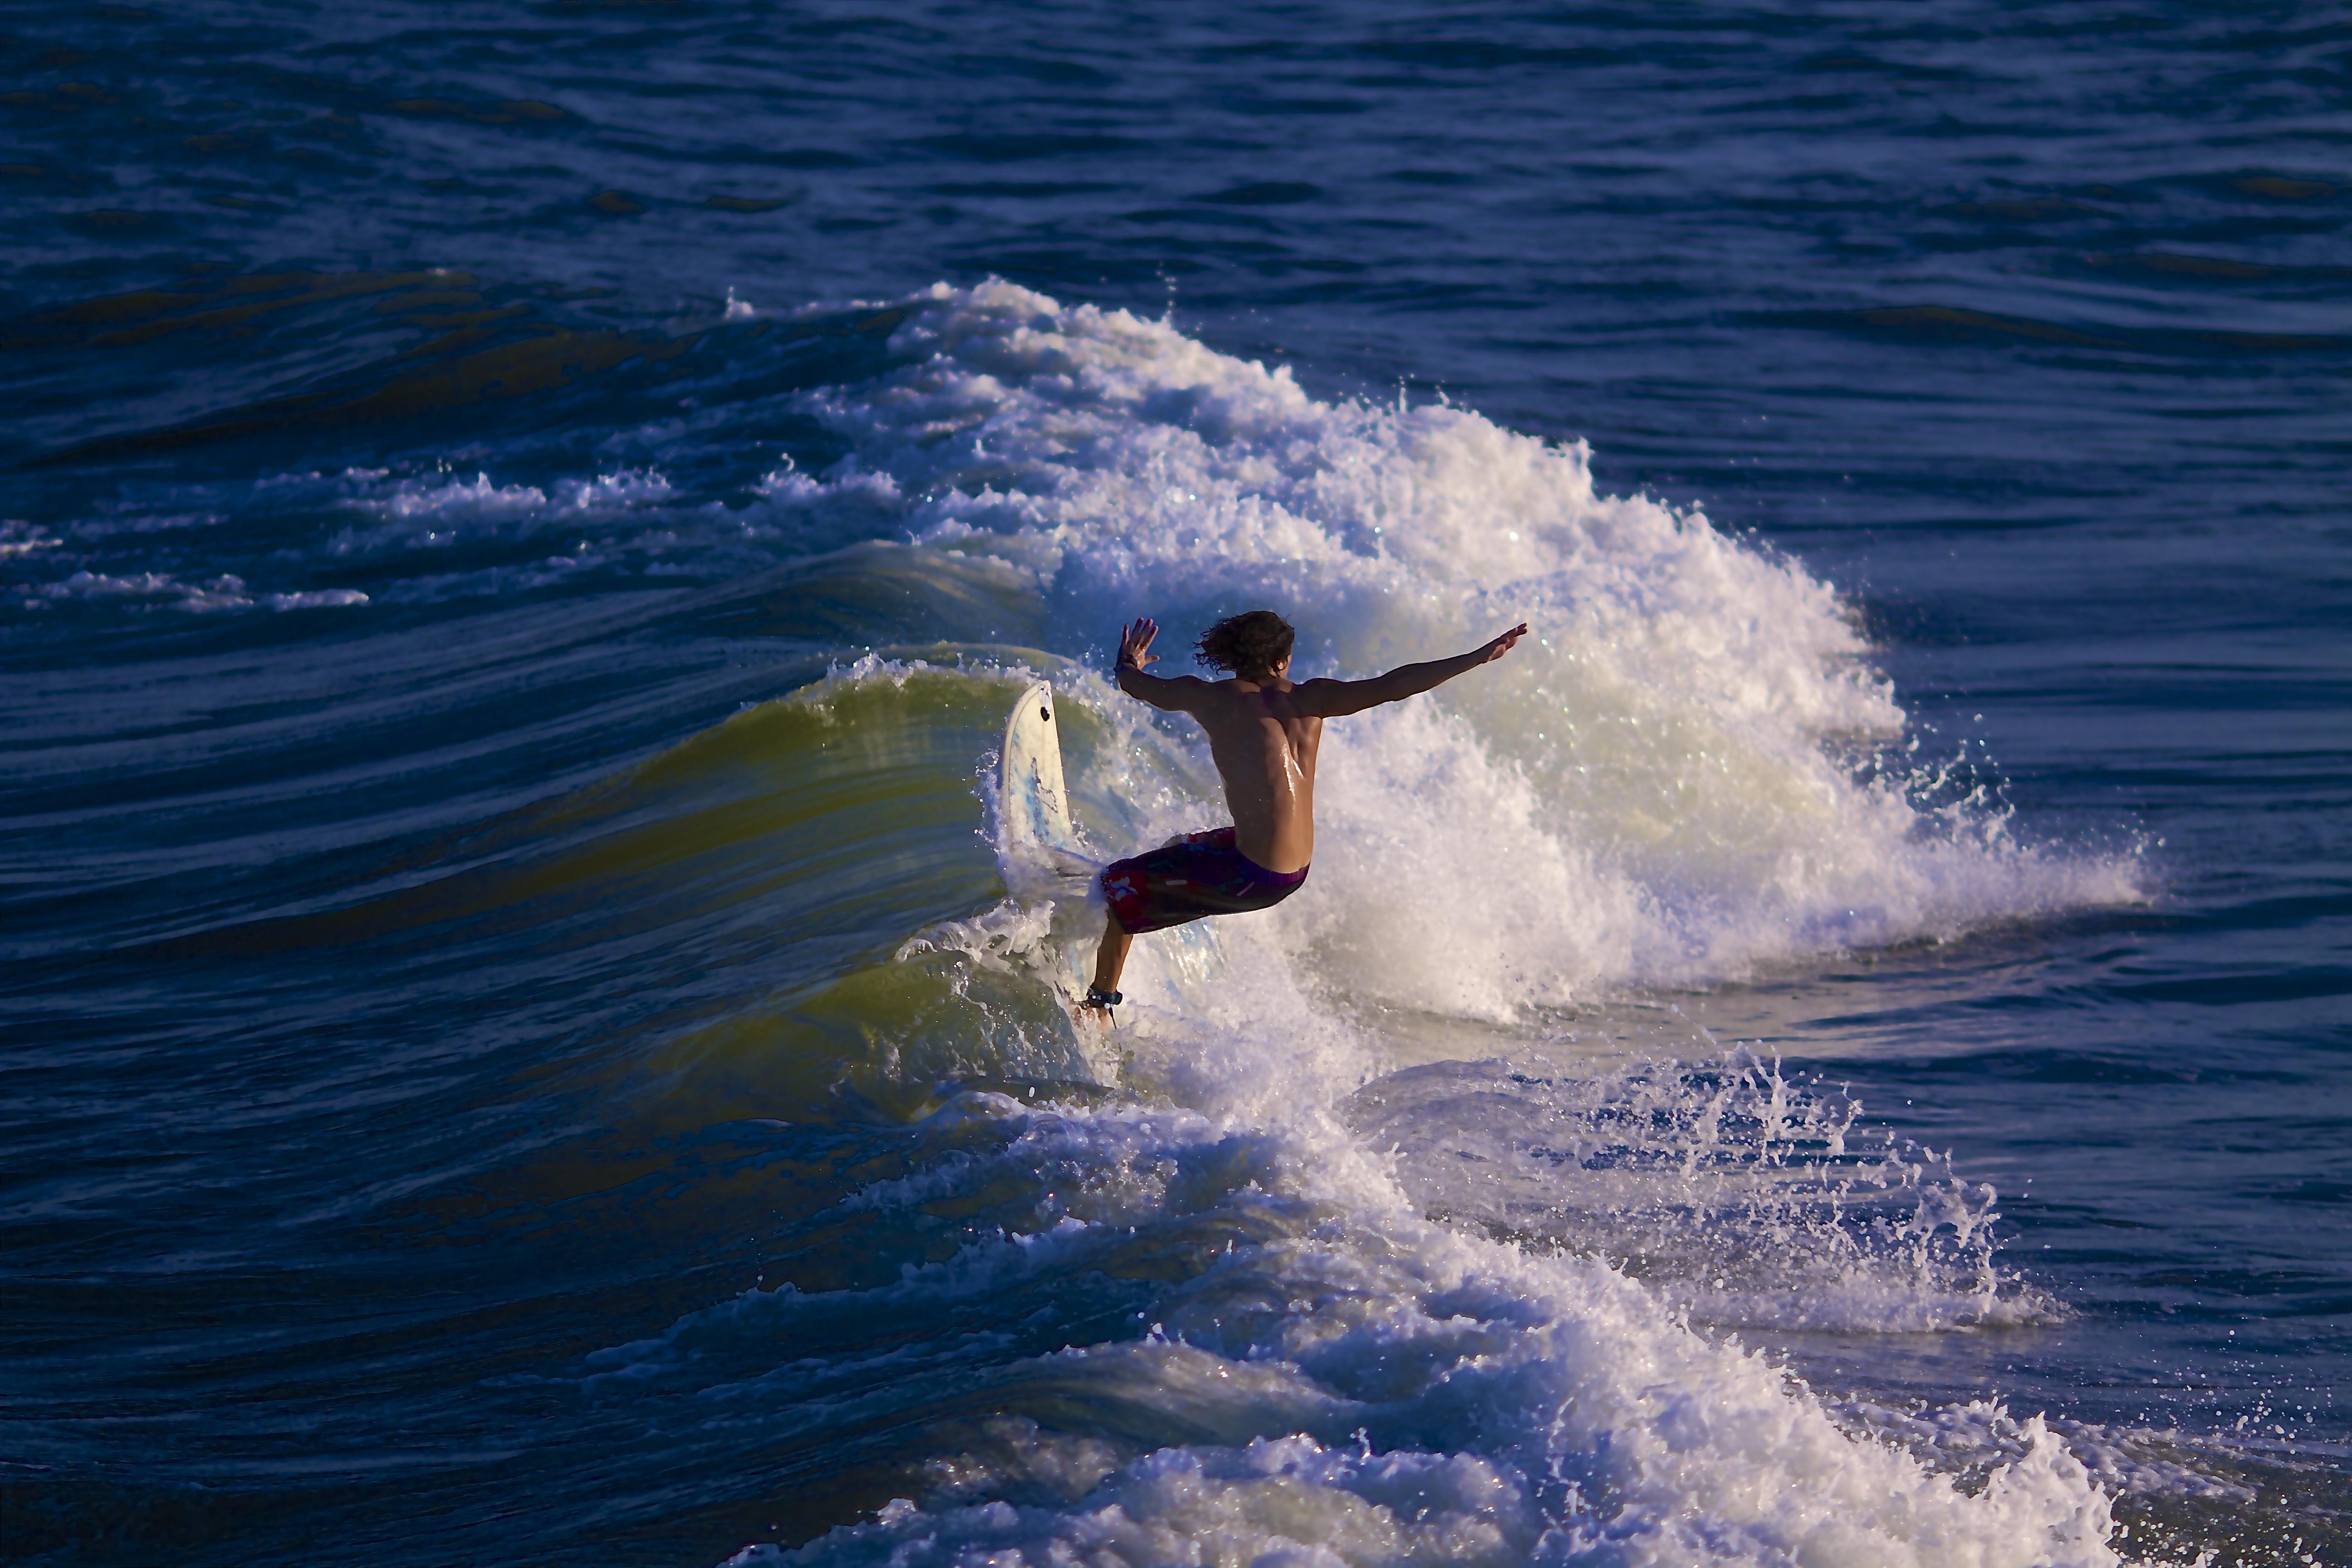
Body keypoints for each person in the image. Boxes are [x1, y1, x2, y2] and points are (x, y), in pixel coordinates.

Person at [1080, 608, 1529, 1018]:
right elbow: (1396, 685)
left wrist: (1128, 662)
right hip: (1293, 870)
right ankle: (1159, 901)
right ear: (1283, 660)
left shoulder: (1208, 697)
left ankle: (1099, 1006)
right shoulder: (1311, 699)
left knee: (1119, 887)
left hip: (1251, 874)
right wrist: (1472, 658)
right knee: (1185, 846)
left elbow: (1135, 685)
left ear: (1233, 655)